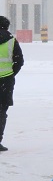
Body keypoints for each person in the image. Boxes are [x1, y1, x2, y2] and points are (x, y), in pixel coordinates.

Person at [0, 15, 25, 152]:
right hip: (5, 82)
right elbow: (19, 61)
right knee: (1, 111)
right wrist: (10, 74)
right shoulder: (11, 41)